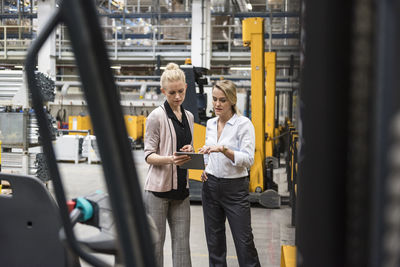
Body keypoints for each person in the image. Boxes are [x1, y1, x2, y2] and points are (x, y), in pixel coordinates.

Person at [199, 80, 260, 267]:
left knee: (244, 242)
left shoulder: (243, 124)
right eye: (215, 99)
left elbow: (249, 159)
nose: (217, 104)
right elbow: (209, 152)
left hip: (234, 189)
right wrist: (205, 167)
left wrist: (224, 150)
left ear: (232, 101)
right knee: (214, 243)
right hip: (210, 187)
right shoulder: (210, 124)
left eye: (222, 100)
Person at [144, 63, 194, 267]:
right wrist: (170, 159)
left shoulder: (189, 117)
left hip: (181, 191)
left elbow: (184, 146)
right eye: (172, 93)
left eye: (181, 91)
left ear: (186, 88)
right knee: (155, 247)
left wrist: (190, 150)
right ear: (163, 91)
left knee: (182, 247)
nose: (177, 97)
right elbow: (148, 155)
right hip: (157, 191)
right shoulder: (156, 117)